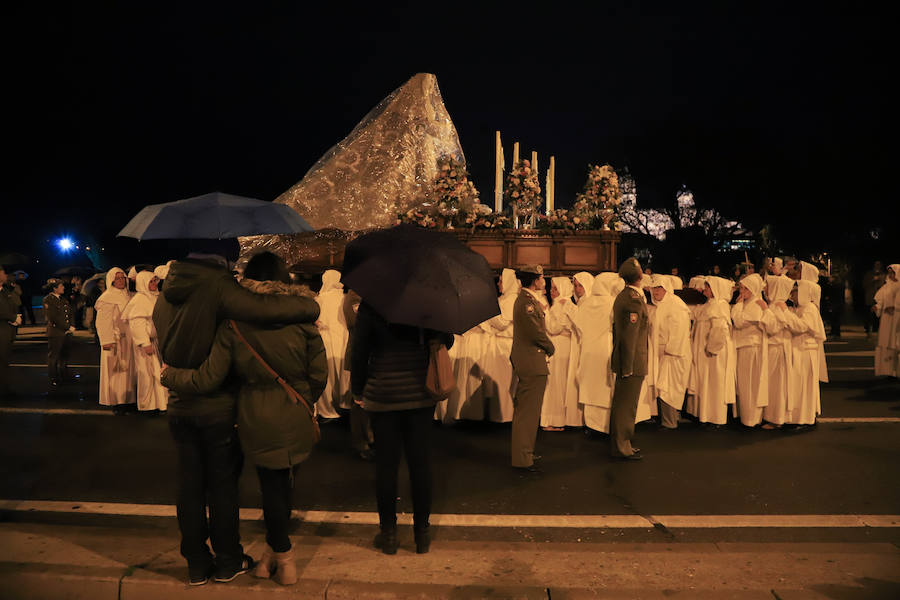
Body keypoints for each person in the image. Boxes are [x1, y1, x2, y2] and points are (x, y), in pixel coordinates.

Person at [153, 239, 320, 586]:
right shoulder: (219, 286)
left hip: (179, 403)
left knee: (189, 486)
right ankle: (229, 560)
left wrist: (170, 376)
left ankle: (196, 564)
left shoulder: (167, 292)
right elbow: (268, 309)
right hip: (218, 405)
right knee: (223, 487)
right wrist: (308, 306)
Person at [350, 299, 453, 556]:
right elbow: (447, 340)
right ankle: (422, 535)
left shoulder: (372, 303)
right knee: (421, 465)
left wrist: (358, 389)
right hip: (420, 393)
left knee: (386, 467)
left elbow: (360, 350)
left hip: (383, 393)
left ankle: (389, 535)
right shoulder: (427, 301)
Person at [509, 265, 555, 471]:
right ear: (535, 280)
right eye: (541, 277)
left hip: (531, 359)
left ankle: (525, 452)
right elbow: (535, 333)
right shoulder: (526, 303)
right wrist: (551, 347)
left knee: (529, 411)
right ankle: (522, 458)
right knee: (527, 412)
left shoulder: (528, 300)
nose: (543, 280)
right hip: (531, 360)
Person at [609, 258, 650, 459]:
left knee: (624, 404)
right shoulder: (633, 299)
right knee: (626, 406)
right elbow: (629, 336)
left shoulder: (627, 296)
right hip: (632, 361)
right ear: (639, 276)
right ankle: (622, 446)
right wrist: (627, 366)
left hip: (630, 359)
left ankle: (622, 442)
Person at [686, 276, 736, 426]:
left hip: (714, 352)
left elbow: (720, 329)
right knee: (705, 381)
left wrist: (712, 347)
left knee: (715, 382)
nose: (705, 289)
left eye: (708, 287)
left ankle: (715, 417)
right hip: (704, 351)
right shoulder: (709, 304)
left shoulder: (720, 305)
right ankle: (703, 414)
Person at [574, 273, 618, 434]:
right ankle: (605, 426)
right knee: (604, 387)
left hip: (588, 349)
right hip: (605, 348)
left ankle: (591, 425)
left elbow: (579, 325)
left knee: (590, 386)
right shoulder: (613, 303)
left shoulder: (586, 303)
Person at [650, 275, 692, 430]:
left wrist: (671, 350)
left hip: (674, 354)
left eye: (659, 288)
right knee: (665, 386)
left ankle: (670, 421)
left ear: (666, 289)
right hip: (663, 352)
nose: (656, 291)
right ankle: (669, 419)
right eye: (654, 288)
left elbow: (679, 329)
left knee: (669, 387)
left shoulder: (675, 304)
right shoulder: (662, 305)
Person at [122, 271, 167, 413]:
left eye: (155, 281)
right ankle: (147, 406)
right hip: (146, 344)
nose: (154, 284)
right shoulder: (140, 300)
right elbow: (137, 323)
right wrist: (145, 342)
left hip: (156, 342)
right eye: (151, 282)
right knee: (147, 375)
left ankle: (160, 403)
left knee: (158, 373)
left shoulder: (155, 297)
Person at [731, 273, 771, 427]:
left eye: (745, 289)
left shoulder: (756, 304)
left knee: (751, 384)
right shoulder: (747, 303)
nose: (742, 292)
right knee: (744, 384)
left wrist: (738, 305)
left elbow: (739, 321)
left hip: (751, 348)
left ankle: (751, 419)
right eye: (741, 288)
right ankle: (746, 417)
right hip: (744, 347)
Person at [95, 268, 136, 413]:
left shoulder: (129, 295)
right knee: (117, 372)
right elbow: (103, 322)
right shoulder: (107, 298)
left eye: (122, 278)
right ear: (111, 281)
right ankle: (118, 402)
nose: (121, 281)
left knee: (129, 372)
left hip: (129, 340)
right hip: (115, 341)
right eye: (117, 278)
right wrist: (106, 340)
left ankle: (129, 400)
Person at [540, 277, 578, 431]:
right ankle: (559, 418)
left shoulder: (560, 304)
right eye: (551, 288)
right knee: (560, 382)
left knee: (555, 382)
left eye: (555, 288)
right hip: (563, 346)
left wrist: (545, 312)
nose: (552, 291)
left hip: (559, 346)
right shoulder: (568, 304)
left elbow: (553, 328)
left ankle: (555, 420)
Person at [788, 280, 827, 425]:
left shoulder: (809, 308)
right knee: (800, 386)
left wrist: (786, 314)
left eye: (795, 292)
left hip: (805, 350)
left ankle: (804, 418)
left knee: (804, 386)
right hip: (801, 349)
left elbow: (802, 326)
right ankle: (801, 416)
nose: (792, 295)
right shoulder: (801, 308)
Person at [761, 275, 797, 429]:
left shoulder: (777, 306)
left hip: (777, 349)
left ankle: (777, 418)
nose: (765, 289)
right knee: (774, 385)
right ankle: (774, 416)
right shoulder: (775, 305)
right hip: (774, 349)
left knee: (777, 385)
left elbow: (773, 328)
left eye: (768, 285)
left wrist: (765, 310)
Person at [484, 269, 519, 422]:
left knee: (504, 380)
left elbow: (502, 323)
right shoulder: (504, 298)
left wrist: (489, 314)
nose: (498, 284)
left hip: (506, 344)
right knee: (498, 379)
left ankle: (505, 415)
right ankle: (497, 414)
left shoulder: (511, 299)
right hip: (499, 343)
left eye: (501, 281)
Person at [342, 288, 374, 460]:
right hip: (360, 354)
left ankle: (370, 437)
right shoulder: (354, 296)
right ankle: (361, 442)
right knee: (358, 401)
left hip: (373, 354)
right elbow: (356, 323)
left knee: (369, 400)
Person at [315, 269, 350, 420]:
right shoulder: (345, 298)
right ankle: (345, 404)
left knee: (328, 376)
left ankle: (328, 409)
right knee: (344, 373)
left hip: (326, 340)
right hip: (343, 339)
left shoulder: (320, 299)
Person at [42, 278, 75, 388]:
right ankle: (53, 377)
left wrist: (72, 325)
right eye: (61, 286)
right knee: (54, 356)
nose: (63, 288)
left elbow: (69, 313)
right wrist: (68, 327)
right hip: (56, 332)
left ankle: (64, 375)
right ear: (55, 288)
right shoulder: (48, 300)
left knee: (64, 355)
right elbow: (53, 317)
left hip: (66, 332)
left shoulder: (63, 299)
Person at [873, 265, 899, 378]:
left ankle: (897, 371)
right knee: (886, 344)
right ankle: (888, 371)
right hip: (887, 319)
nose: (890, 275)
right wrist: (877, 307)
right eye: (889, 273)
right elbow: (881, 300)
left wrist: (895, 308)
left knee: (896, 343)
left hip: (897, 319)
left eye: (893, 272)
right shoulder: (886, 286)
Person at [1, 266, 23, 396]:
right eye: (3, 273)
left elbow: (13, 304)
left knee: (4, 362)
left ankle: (4, 388)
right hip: (2, 331)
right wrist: (12, 317)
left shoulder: (5, 291)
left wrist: (15, 316)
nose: (6, 275)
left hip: (7, 331)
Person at [862, 261, 886, 337]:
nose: (877, 266)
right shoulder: (869, 274)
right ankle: (867, 328)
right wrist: (872, 280)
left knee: (877, 314)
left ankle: (876, 329)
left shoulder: (883, 275)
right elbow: (864, 284)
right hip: (870, 297)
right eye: (876, 264)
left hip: (879, 298)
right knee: (868, 314)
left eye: (879, 265)